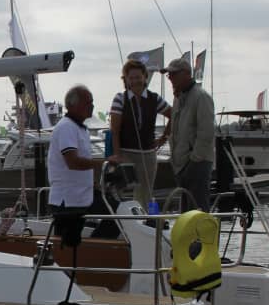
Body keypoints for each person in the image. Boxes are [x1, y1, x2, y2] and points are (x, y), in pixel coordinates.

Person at [48, 84, 117, 246]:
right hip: (68, 199)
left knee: (116, 214)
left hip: (83, 195)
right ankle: (90, 252)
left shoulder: (80, 129)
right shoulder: (66, 127)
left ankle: (93, 249)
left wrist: (93, 183)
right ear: (74, 105)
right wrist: (105, 162)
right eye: (88, 102)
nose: (92, 105)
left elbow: (81, 161)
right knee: (67, 244)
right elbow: (72, 162)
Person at [108, 58, 172, 210]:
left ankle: (146, 221)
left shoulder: (154, 98)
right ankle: (118, 221)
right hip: (126, 152)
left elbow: (173, 115)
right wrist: (117, 155)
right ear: (126, 80)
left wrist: (164, 138)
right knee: (119, 189)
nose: (135, 81)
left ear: (145, 77)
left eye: (138, 77)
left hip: (148, 154)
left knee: (146, 192)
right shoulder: (120, 99)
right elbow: (114, 130)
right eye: (131, 78)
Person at [162, 57, 215, 211]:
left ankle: (202, 236)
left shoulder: (201, 96)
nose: (170, 78)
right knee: (186, 211)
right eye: (169, 75)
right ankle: (189, 236)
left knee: (198, 209)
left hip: (197, 163)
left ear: (186, 74)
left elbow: (206, 133)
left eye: (173, 74)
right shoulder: (178, 98)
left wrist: (194, 161)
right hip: (182, 164)